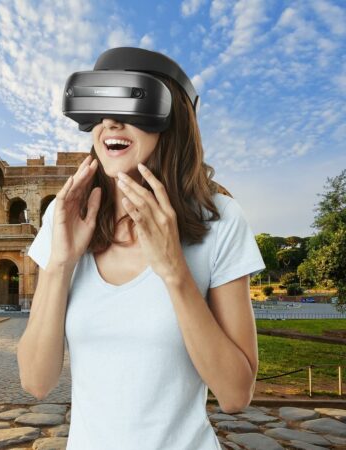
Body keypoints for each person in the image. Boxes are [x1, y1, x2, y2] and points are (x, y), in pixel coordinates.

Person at [17, 48, 266, 450]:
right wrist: (61, 262)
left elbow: (237, 394)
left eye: (128, 103)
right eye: (100, 108)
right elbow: (36, 381)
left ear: (171, 118)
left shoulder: (220, 219)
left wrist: (174, 271)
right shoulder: (66, 218)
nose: (110, 122)